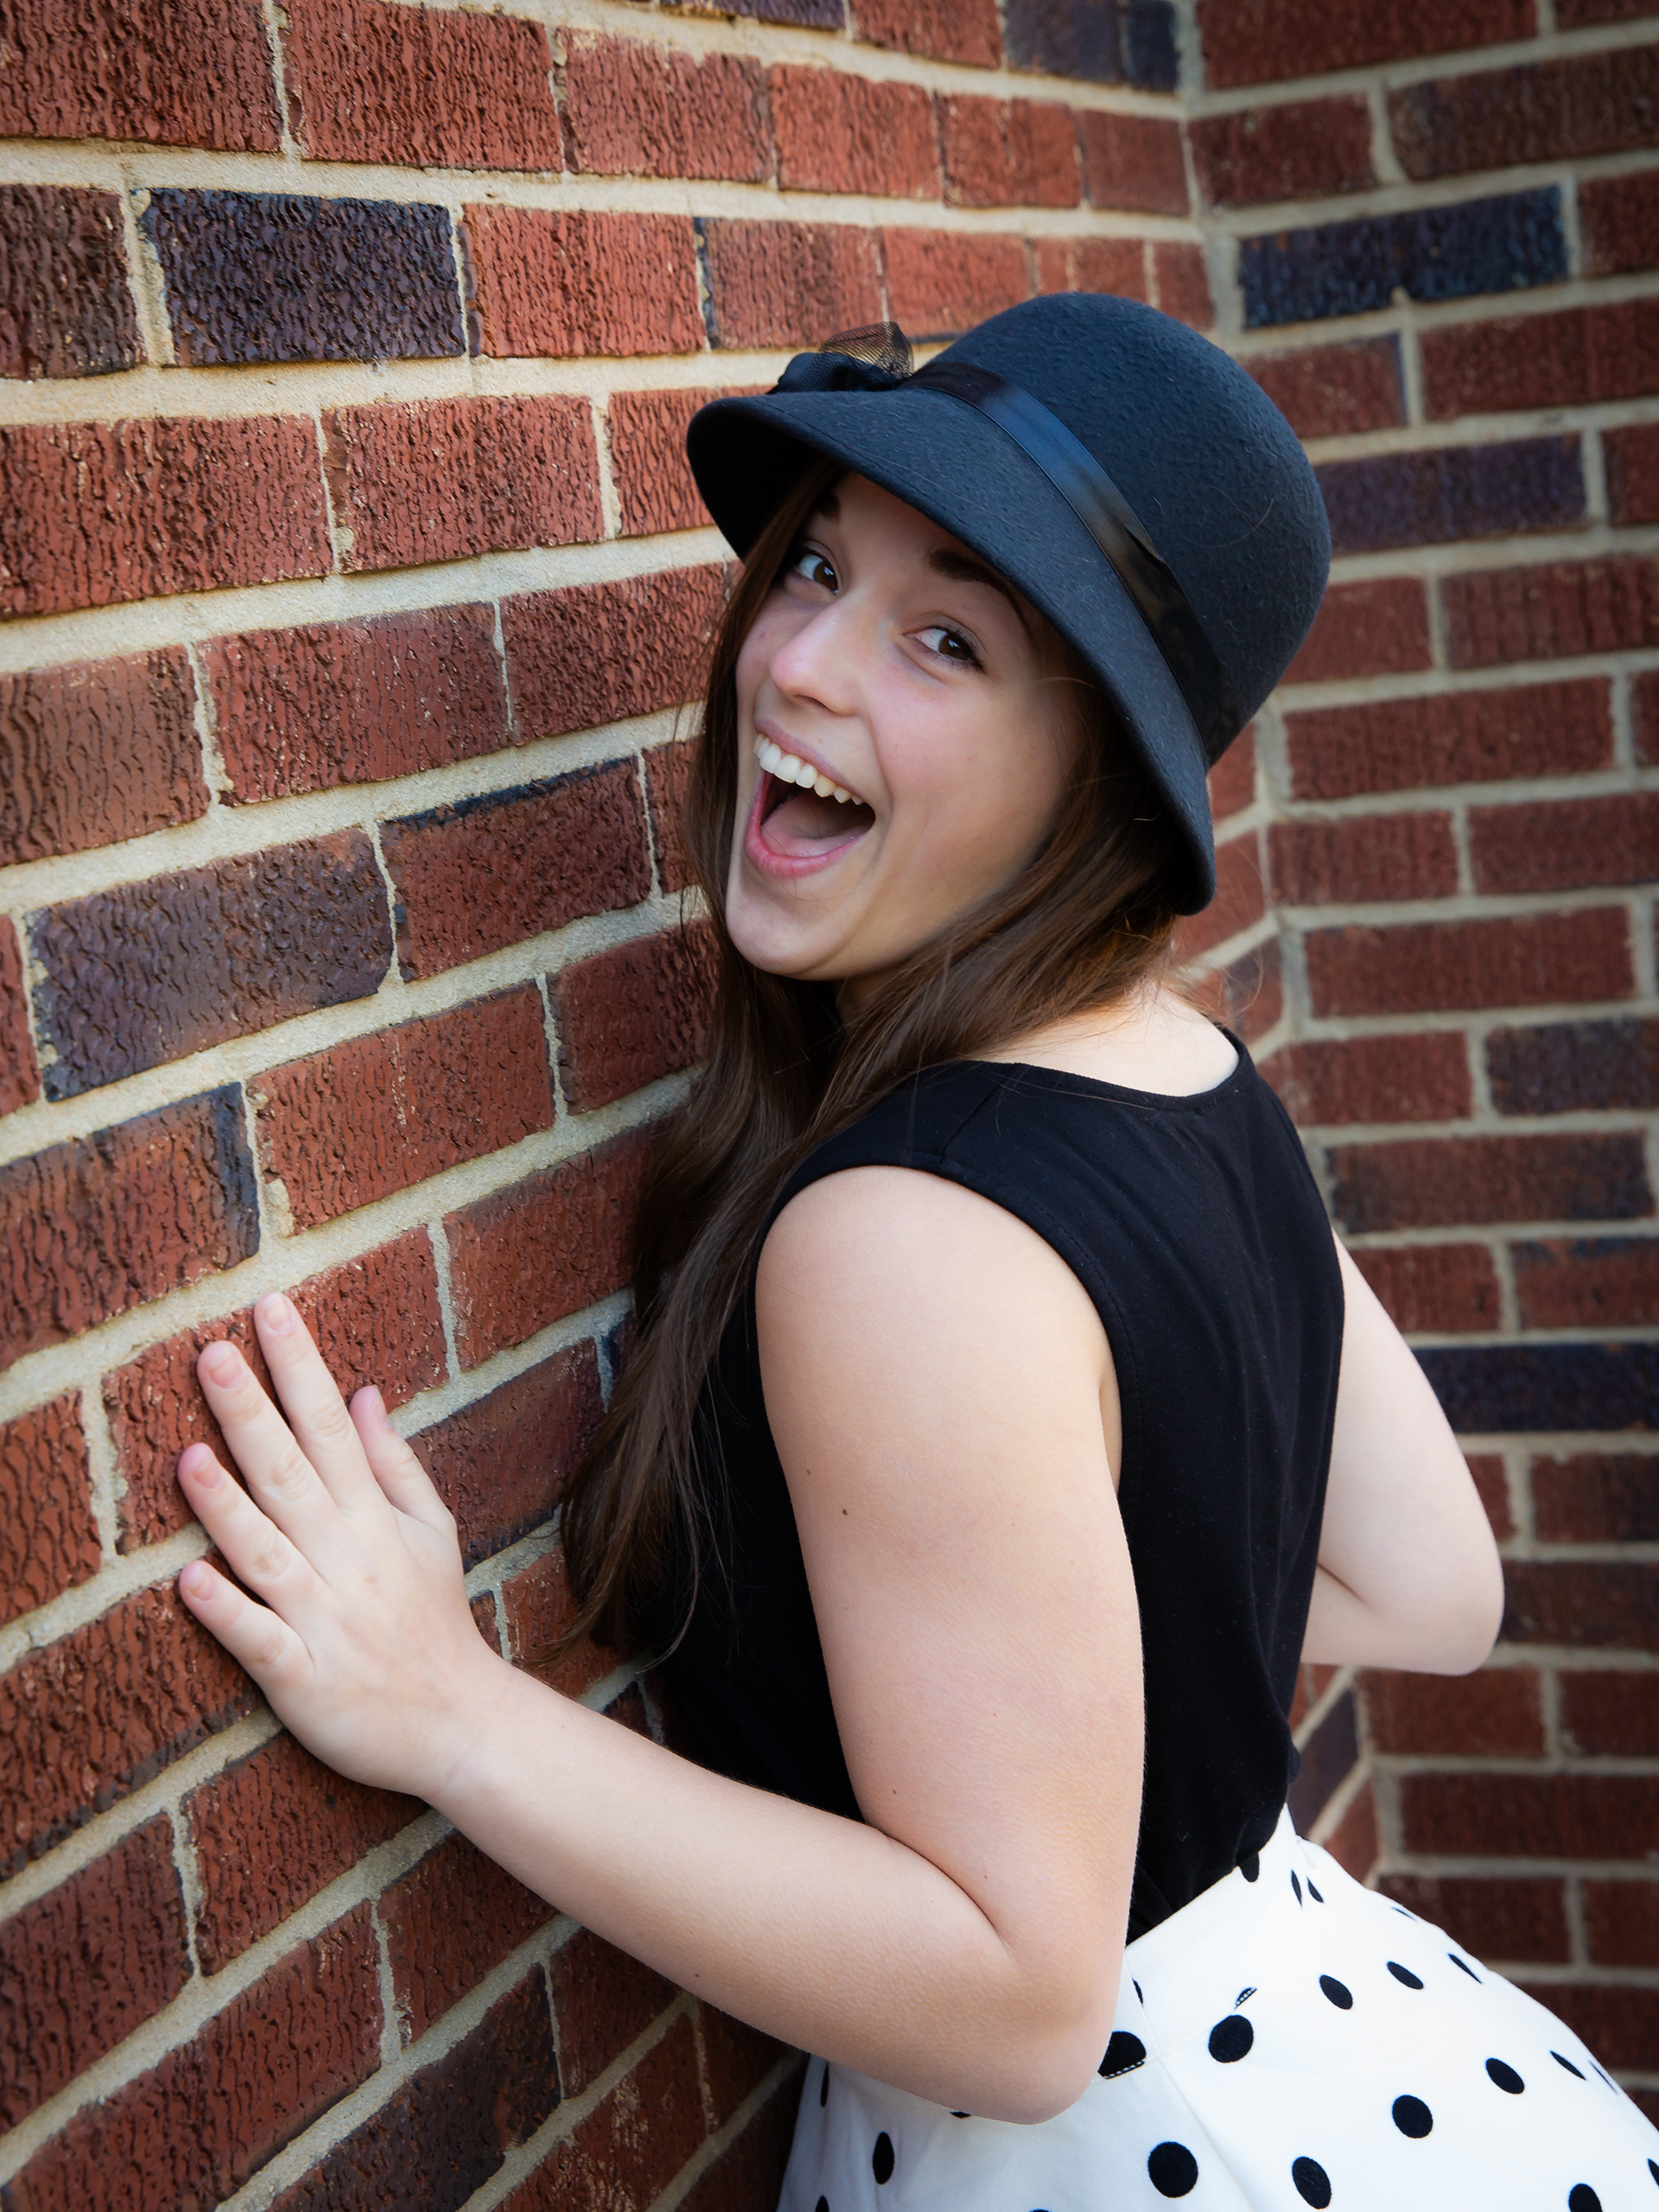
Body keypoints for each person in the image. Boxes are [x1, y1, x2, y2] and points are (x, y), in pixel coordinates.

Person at [173, 296, 1657, 2209]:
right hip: (1380, 2065)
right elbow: (1433, 1580)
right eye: (816, 566)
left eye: (947, 637)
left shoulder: (906, 1233)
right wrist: (1072, 1649)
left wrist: (448, 1708)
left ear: (1097, 782)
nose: (795, 663)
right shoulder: (1186, 1066)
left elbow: (1021, 2007)